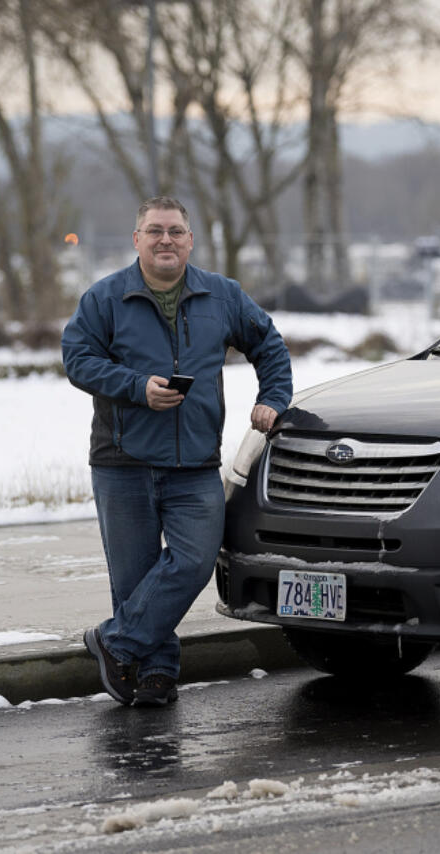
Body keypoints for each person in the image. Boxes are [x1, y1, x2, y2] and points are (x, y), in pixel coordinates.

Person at [61, 196, 292, 707]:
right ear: (136, 239)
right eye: (154, 231)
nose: (165, 239)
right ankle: (156, 674)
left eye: (175, 231)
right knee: (135, 578)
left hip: (194, 464)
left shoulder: (222, 296)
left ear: (190, 240)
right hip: (123, 464)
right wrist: (135, 386)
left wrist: (272, 398)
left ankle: (114, 642)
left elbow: (269, 345)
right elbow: (77, 359)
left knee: (194, 559)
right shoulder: (104, 299)